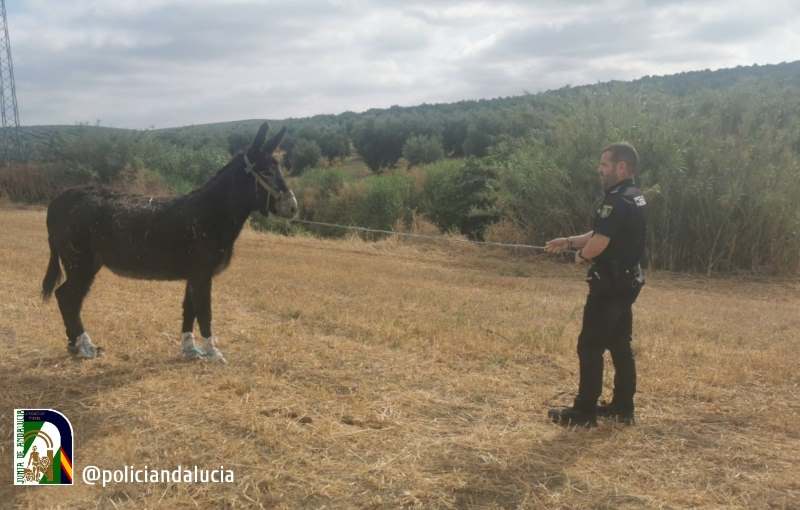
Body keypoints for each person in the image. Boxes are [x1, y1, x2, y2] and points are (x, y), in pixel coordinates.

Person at [545, 142, 647, 427]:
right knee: (619, 344)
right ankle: (623, 407)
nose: (599, 169)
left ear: (622, 167)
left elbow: (599, 242)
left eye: (604, 164)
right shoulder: (634, 196)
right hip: (627, 281)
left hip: (610, 285)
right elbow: (600, 231)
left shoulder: (615, 200)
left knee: (589, 345)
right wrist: (567, 241)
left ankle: (584, 412)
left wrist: (581, 255)